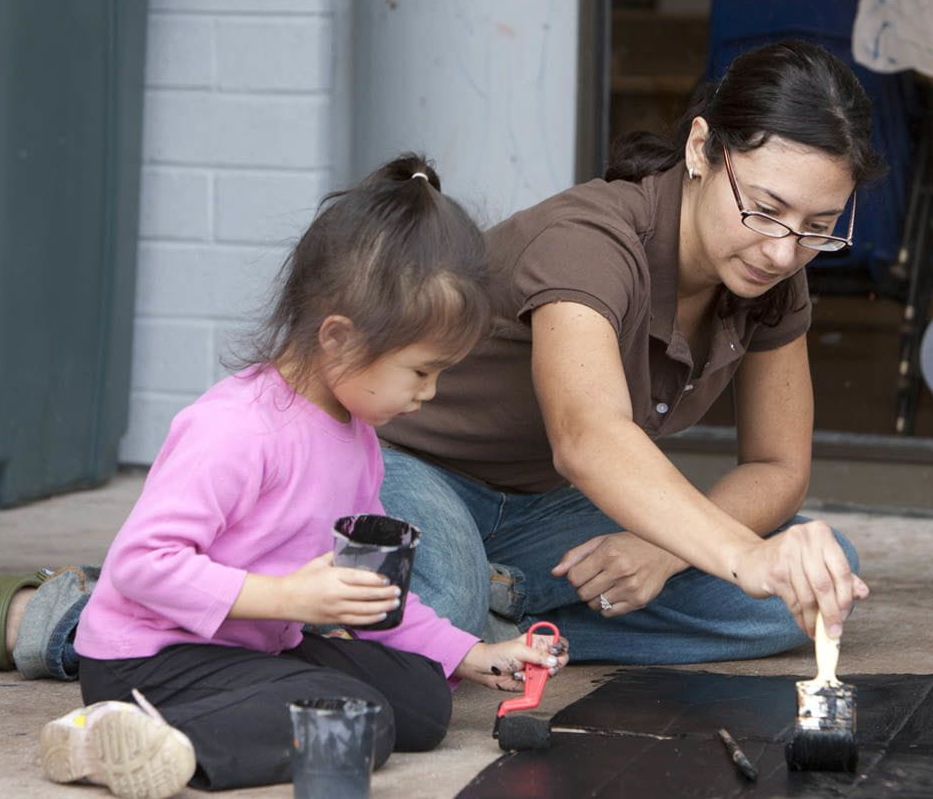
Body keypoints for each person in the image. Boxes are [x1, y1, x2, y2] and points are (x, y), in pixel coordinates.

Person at [32, 155, 569, 797]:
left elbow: (368, 594)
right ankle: (112, 740)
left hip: (246, 650)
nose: (431, 393)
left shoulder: (358, 441)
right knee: (350, 724)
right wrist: (287, 600)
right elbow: (142, 565)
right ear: (338, 339)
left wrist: (474, 655)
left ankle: (176, 727)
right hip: (146, 661)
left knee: (422, 701)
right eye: (421, 370)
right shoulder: (237, 430)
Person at [376, 40, 881, 663]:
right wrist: (737, 554)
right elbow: (588, 437)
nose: (783, 252)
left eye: (818, 226)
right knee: (442, 605)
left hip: (542, 509)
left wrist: (665, 553)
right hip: (409, 468)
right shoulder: (590, 240)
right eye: (765, 209)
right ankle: (474, 609)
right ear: (702, 149)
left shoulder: (772, 272)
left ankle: (500, 613)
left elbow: (778, 467)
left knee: (811, 582)